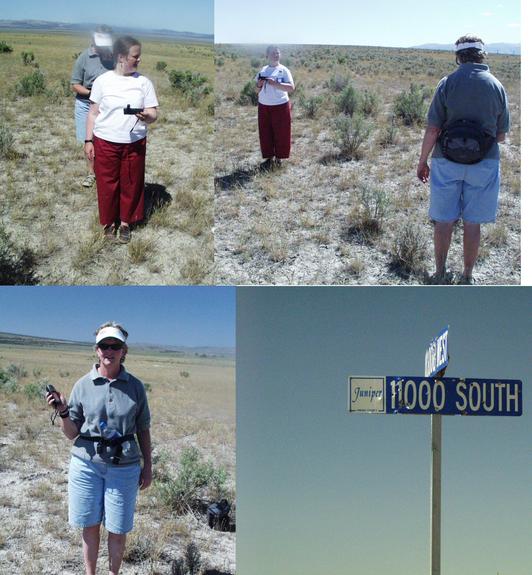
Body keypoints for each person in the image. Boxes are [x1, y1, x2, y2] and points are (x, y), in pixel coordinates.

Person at [46, 322, 152, 575]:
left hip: (124, 466)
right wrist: (62, 411)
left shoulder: (135, 386)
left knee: (117, 528)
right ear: (96, 350)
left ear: (124, 350)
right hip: (86, 464)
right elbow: (72, 434)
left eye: (115, 345)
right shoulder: (82, 385)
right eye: (104, 345)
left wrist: (148, 466)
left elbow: (143, 429)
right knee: (89, 525)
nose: (109, 350)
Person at [416, 35, 510, 284]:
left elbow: (433, 129)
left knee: (444, 220)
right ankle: (467, 274)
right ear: (482, 55)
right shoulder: (497, 86)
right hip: (484, 162)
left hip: (446, 161)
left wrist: (422, 160)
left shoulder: (447, 83)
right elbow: (500, 135)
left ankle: (440, 271)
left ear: (458, 56)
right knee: (472, 223)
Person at [85, 36, 158, 243]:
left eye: (139, 56)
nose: (139, 60)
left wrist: (147, 116)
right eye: (135, 56)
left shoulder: (143, 83)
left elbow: (154, 113)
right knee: (107, 183)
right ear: (121, 57)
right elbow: (93, 113)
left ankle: (126, 222)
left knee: (131, 182)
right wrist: (88, 141)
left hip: (134, 143)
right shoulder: (103, 81)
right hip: (105, 141)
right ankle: (108, 223)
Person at [71, 26, 115, 188]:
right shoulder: (84, 57)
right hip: (85, 104)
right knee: (88, 140)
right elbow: (75, 85)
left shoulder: (114, 57)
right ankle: (91, 173)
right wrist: (93, 94)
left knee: (106, 140)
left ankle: (106, 171)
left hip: (107, 106)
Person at [255, 46, 295, 169]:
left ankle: (279, 158)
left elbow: (291, 88)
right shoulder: (263, 70)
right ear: (267, 55)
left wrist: (276, 84)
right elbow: (255, 90)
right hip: (264, 106)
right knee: (265, 132)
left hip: (280, 105)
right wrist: (259, 84)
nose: (275, 55)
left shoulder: (284, 70)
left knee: (281, 132)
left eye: (277, 53)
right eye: (273, 53)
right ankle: (268, 158)